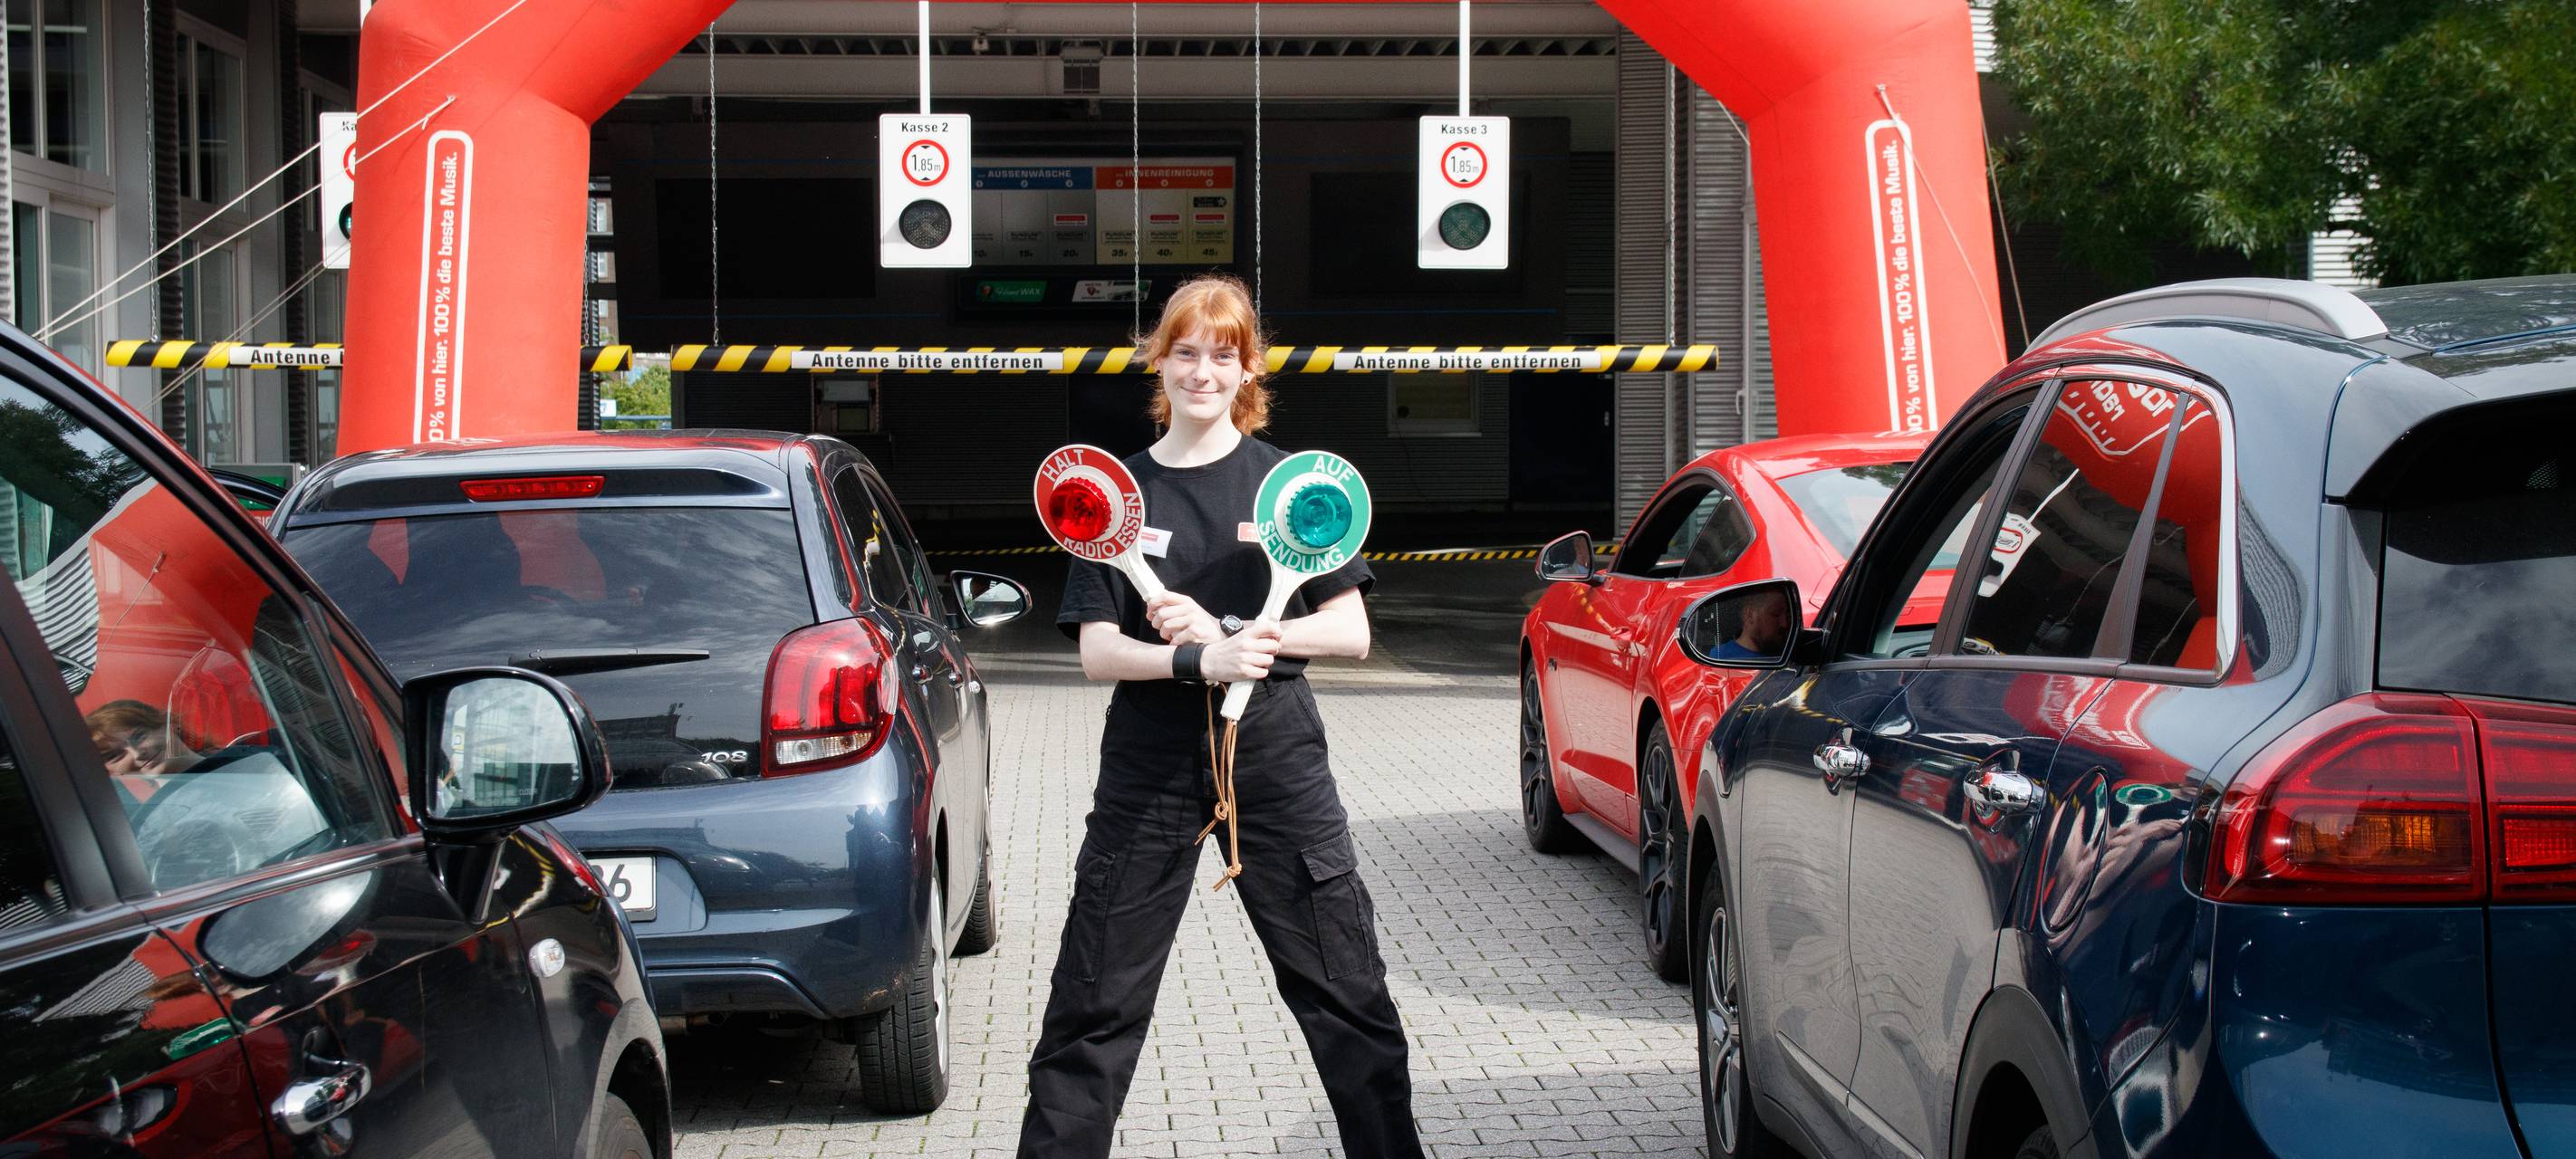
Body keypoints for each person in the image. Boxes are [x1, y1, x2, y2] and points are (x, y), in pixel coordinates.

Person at [1020, 274, 1423, 1157]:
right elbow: (1098, 652)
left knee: (1348, 996)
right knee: (1093, 1003)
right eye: (1186, 351)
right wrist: (1194, 658)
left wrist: (1240, 633)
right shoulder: (1114, 494)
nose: (1202, 370)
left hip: (1275, 761)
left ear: (1248, 369)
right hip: (1151, 768)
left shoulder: (1290, 484)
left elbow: (1350, 631)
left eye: (1223, 354)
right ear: (1159, 361)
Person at [1713, 586, 1792, 661]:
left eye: (1788, 616)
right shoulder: (1720, 655)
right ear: (1750, 614)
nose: (1785, 624)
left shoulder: (1788, 651)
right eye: (1776, 614)